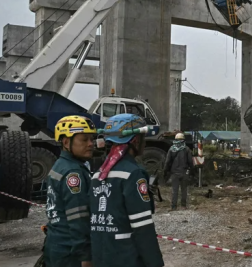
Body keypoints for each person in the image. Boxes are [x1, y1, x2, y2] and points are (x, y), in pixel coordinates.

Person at [90, 113, 164, 267]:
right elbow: (142, 227)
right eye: (143, 138)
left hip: (101, 257)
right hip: (126, 258)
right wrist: (155, 263)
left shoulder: (97, 175)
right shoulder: (133, 174)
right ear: (135, 140)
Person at [43, 115, 97, 267]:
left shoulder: (59, 165)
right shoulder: (73, 173)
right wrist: (86, 256)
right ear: (66, 142)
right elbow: (78, 218)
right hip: (70, 253)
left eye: (92, 139)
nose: (90, 144)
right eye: (84, 139)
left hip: (56, 245)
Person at [164, 132, 193, 211]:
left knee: (175, 190)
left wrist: (165, 171)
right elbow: (190, 161)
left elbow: (167, 162)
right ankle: (183, 206)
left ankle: (174, 207)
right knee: (184, 190)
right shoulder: (186, 149)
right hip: (184, 172)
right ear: (183, 140)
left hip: (174, 173)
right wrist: (192, 170)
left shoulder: (171, 149)